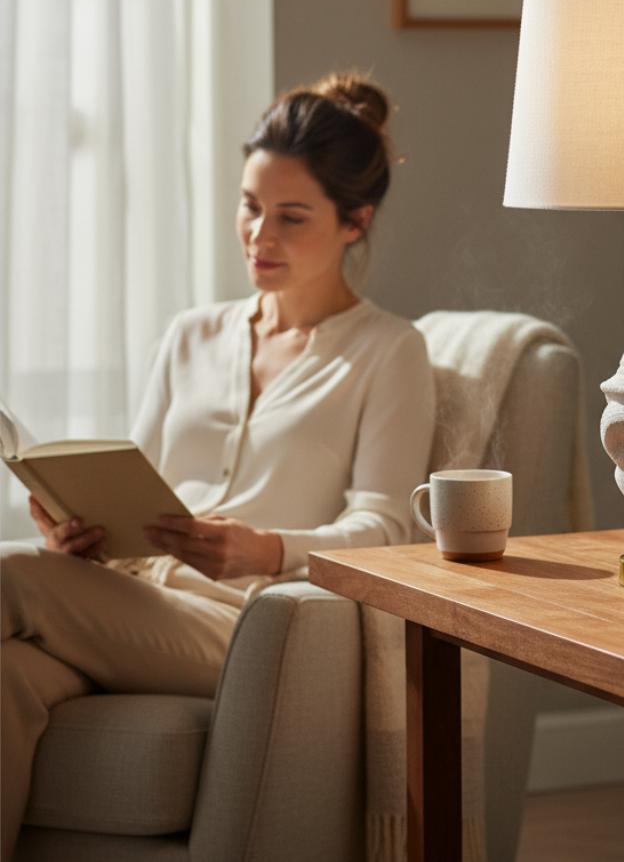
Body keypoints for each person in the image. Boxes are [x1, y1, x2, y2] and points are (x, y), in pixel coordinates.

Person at [0, 73, 435, 858]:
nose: (258, 236)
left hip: (246, 625)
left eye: (291, 217)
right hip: (130, 598)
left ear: (354, 222)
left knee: (10, 576)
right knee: (6, 679)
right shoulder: (190, 335)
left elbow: (389, 530)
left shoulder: (388, 352)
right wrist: (80, 533)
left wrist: (264, 549)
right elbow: (139, 480)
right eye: (249, 206)